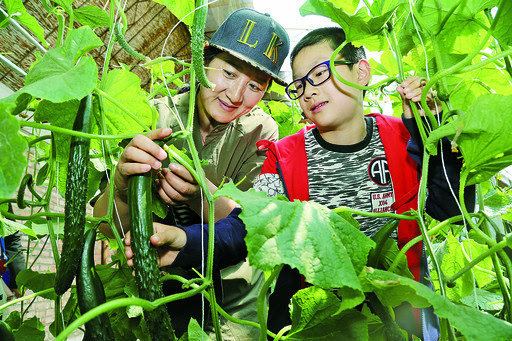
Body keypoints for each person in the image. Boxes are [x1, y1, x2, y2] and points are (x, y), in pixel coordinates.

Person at [135, 26, 475, 340]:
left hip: (405, 319)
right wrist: (187, 240)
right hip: (313, 321)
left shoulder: (404, 138)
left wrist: (433, 134)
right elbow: (248, 228)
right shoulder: (284, 157)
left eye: (319, 74)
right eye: (300, 85)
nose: (309, 92)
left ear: (362, 71)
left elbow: (454, 210)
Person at [94, 8, 290, 339]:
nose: (236, 95)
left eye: (254, 85)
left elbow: (258, 229)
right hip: (160, 289)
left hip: (234, 302)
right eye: (228, 73)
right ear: (202, 59)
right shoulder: (153, 115)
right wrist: (124, 188)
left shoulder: (264, 133)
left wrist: (201, 194)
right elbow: (104, 225)